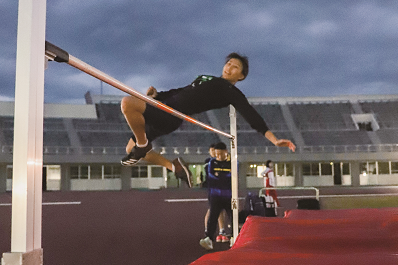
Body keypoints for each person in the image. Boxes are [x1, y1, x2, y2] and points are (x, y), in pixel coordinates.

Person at [120, 52, 296, 187]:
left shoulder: (230, 91)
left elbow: (250, 114)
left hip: (171, 115)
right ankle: (175, 167)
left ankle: (143, 145)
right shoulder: (206, 78)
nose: (229, 67)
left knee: (128, 103)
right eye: (228, 63)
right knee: (130, 148)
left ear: (241, 76)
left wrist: (273, 138)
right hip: (163, 108)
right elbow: (180, 91)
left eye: (235, 67)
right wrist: (158, 95)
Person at [199, 142, 232, 250]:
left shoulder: (232, 162)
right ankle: (209, 238)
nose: (217, 156)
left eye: (219, 154)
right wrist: (223, 177)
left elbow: (232, 176)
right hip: (215, 195)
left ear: (225, 152)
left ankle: (234, 237)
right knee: (212, 216)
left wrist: (220, 176)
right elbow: (212, 177)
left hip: (228, 195)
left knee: (232, 217)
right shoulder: (211, 162)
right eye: (216, 154)